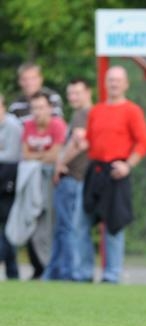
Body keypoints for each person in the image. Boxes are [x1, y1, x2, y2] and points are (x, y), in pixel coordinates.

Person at [82, 66, 146, 283]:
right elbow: (90, 142)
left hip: (117, 171)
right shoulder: (96, 110)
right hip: (95, 170)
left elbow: (143, 143)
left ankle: (112, 274)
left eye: (118, 80)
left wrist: (127, 165)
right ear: (105, 83)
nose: (114, 84)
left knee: (114, 224)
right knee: (83, 221)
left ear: (125, 84)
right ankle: (82, 273)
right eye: (110, 80)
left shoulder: (132, 110)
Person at [8, 63, 64, 279]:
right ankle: (39, 268)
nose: (38, 111)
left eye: (32, 78)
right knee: (31, 220)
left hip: (51, 177)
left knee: (48, 224)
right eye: (24, 79)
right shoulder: (21, 114)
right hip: (28, 176)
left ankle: (51, 267)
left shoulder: (55, 109)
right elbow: (24, 152)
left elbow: (54, 153)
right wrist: (41, 156)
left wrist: (38, 156)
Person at [42, 78, 94, 281]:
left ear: (88, 92)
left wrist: (60, 163)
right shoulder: (89, 113)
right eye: (70, 93)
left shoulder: (83, 113)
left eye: (77, 93)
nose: (73, 97)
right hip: (81, 177)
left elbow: (80, 142)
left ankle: (69, 272)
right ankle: (61, 271)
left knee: (67, 227)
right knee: (73, 226)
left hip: (73, 176)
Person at [0, 93, 22, 280]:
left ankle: (12, 270)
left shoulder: (13, 126)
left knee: (8, 226)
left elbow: (12, 155)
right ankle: (12, 272)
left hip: (8, 177)